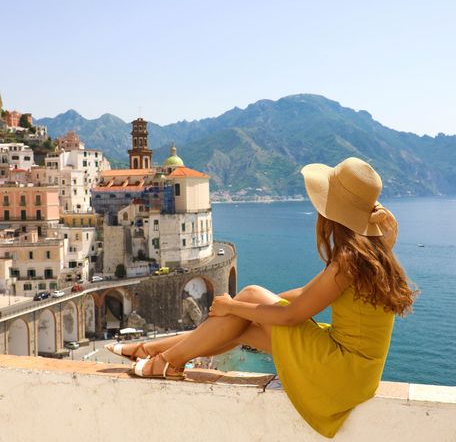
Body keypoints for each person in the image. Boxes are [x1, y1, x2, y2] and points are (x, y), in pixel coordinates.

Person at [105, 156, 417, 438]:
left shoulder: (347, 261)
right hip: (358, 374)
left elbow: (291, 315)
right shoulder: (372, 253)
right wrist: (245, 311)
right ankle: (153, 352)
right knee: (246, 324)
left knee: (250, 296)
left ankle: (165, 361)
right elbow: (307, 294)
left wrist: (235, 305)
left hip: (340, 370)